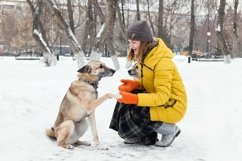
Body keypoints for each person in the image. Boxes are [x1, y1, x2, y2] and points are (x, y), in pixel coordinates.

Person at [109, 20, 187, 147]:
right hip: (159, 100)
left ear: (144, 42)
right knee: (123, 100)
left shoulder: (162, 63)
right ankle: (137, 134)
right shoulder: (144, 56)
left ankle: (170, 130)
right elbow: (146, 83)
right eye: (129, 42)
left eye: (134, 42)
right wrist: (134, 86)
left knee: (139, 111)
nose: (131, 46)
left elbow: (162, 96)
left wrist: (135, 99)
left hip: (172, 104)